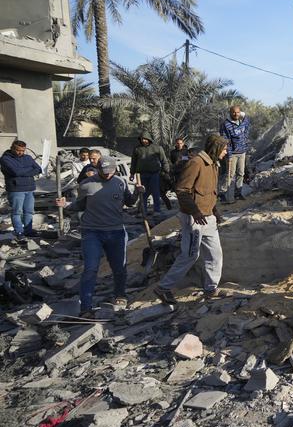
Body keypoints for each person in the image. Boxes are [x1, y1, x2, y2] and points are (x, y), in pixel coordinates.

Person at [55, 156, 143, 317]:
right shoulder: (86, 184)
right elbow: (79, 205)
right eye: (104, 172)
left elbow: (130, 202)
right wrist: (66, 205)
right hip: (92, 232)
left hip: (116, 231)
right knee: (90, 269)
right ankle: (86, 308)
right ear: (98, 169)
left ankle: (120, 295)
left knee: (120, 268)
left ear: (115, 169)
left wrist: (137, 192)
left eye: (110, 171)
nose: (108, 174)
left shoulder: (120, 182)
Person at [154, 135, 228, 304]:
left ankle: (211, 288)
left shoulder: (214, 164)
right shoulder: (196, 163)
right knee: (190, 255)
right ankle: (163, 288)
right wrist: (195, 212)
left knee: (215, 255)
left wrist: (214, 211)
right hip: (194, 219)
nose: (226, 152)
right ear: (216, 148)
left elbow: (208, 192)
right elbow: (182, 190)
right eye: (224, 149)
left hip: (208, 218)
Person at [1, 140, 41, 242]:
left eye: (23, 150)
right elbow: (16, 172)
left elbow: (38, 169)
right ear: (12, 148)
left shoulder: (27, 158)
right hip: (16, 189)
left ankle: (28, 230)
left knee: (28, 211)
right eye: (18, 150)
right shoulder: (5, 159)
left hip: (29, 188)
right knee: (17, 212)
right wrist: (29, 170)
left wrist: (23, 170)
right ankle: (19, 232)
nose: (21, 153)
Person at [130, 131, 170, 216]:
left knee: (156, 192)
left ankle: (157, 210)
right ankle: (143, 211)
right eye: (142, 139)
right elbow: (133, 161)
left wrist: (166, 171)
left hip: (154, 173)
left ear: (149, 139)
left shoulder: (157, 148)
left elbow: (164, 160)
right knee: (143, 193)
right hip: (141, 174)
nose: (143, 140)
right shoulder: (137, 149)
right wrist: (132, 173)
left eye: (145, 139)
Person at [219, 105, 252, 203]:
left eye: (238, 112)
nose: (236, 114)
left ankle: (238, 193)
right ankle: (222, 194)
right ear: (230, 112)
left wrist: (243, 114)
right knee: (230, 175)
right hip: (232, 153)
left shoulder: (242, 121)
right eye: (233, 112)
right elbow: (226, 141)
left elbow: (248, 121)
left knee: (241, 173)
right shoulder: (226, 124)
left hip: (242, 152)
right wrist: (228, 155)